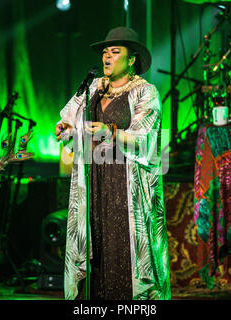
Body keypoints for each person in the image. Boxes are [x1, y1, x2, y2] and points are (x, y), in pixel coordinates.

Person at [55, 26, 171, 300]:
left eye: (115, 52)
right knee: (96, 244)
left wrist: (111, 132)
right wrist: (64, 128)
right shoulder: (93, 87)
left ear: (131, 59)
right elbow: (70, 118)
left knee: (123, 247)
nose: (107, 57)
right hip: (94, 179)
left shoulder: (145, 92)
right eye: (105, 52)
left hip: (126, 184)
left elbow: (146, 139)